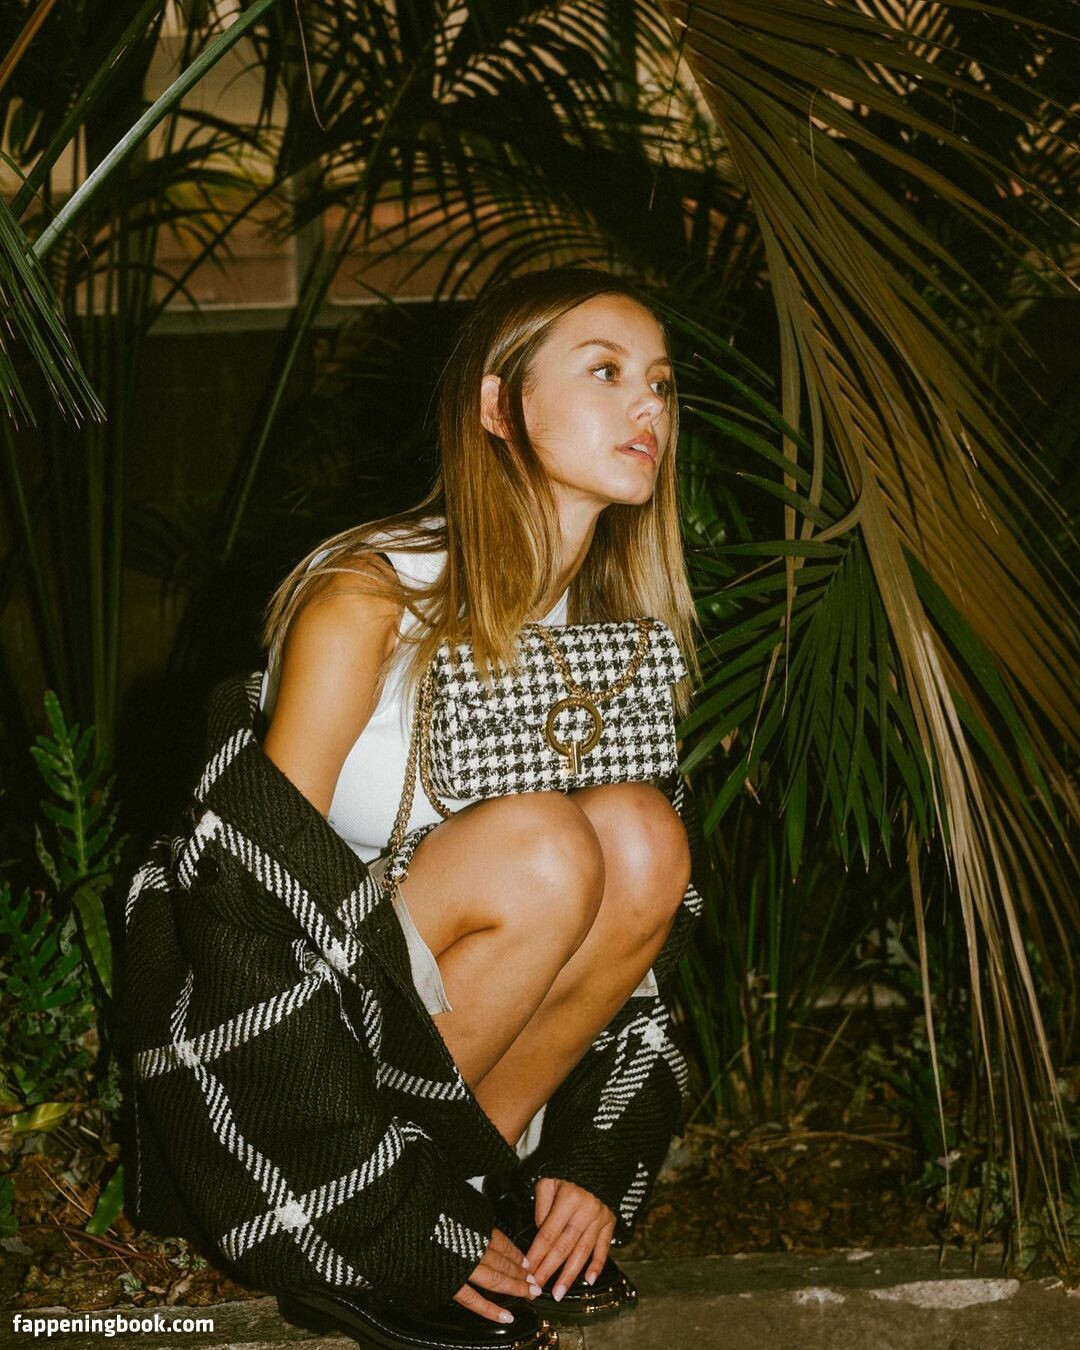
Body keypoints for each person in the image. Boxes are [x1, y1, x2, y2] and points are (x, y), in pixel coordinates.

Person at [123, 265, 707, 1350]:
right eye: (606, 371)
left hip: (443, 1051)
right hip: (290, 1047)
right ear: (498, 406)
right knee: (545, 845)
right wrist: (375, 1215)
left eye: (662, 383)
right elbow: (244, 900)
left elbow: (647, 944)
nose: (648, 407)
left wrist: (590, 1157)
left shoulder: (614, 639)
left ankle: (472, 1188)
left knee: (642, 834)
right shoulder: (371, 596)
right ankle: (381, 1223)